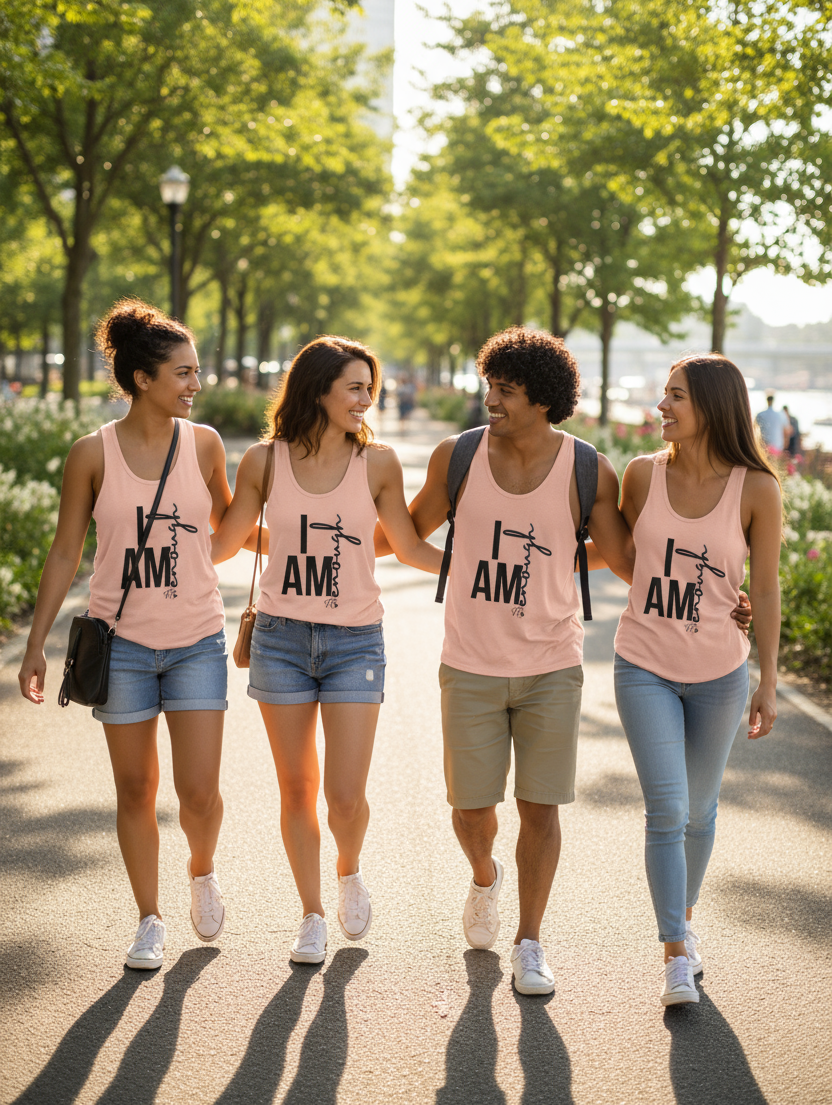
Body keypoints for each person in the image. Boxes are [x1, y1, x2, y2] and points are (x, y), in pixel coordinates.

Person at [375, 326, 640, 995]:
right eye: (489, 384)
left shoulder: (588, 468)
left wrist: (727, 588)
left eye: (506, 389)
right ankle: (484, 877)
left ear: (543, 398)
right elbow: (407, 534)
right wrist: (300, 530)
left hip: (554, 661)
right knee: (470, 808)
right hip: (469, 661)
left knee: (541, 806)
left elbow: (626, 559)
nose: (490, 398)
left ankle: (530, 940)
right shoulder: (457, 456)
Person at [18, 300, 238, 971]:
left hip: (198, 637)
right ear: (142, 379)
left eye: (196, 372)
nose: (194, 385)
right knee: (136, 789)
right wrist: (35, 644)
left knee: (199, 792)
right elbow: (65, 553)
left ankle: (202, 869)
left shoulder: (204, 445)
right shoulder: (91, 454)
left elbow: (230, 530)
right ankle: (149, 920)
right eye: (183, 373)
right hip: (122, 647)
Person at [211, 336, 443, 965]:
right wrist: (140, 541)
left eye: (371, 388)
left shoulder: (380, 464)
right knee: (295, 786)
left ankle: (348, 869)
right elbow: (227, 543)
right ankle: (311, 913)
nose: (367, 400)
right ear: (318, 389)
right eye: (355, 388)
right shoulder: (263, 462)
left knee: (345, 795)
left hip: (354, 641)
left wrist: (473, 570)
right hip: (281, 639)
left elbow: (410, 546)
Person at [615, 354, 780, 1007]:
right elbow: (621, 555)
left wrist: (768, 679)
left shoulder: (757, 489)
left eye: (675, 396)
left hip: (720, 673)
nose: (662, 407)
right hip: (644, 665)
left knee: (700, 810)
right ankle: (676, 953)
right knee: (667, 807)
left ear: (712, 405)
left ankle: (680, 923)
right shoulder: (640, 476)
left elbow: (763, 588)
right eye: (662, 395)